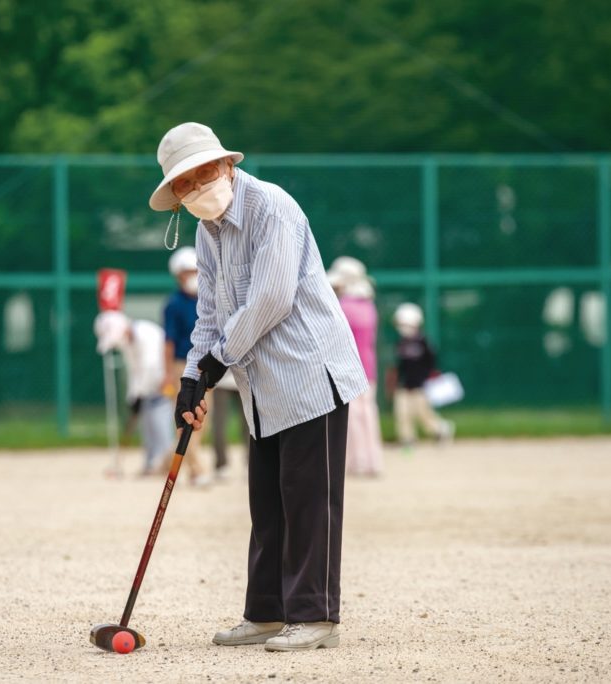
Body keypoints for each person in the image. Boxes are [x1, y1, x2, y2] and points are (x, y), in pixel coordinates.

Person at [148, 122, 368, 651]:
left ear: (228, 165)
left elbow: (272, 297)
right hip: (262, 386)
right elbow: (208, 312)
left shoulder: (272, 207)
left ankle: (316, 616)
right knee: (267, 503)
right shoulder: (207, 232)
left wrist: (217, 361)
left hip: (310, 373)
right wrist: (193, 377)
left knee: (309, 501)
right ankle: (267, 611)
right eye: (184, 182)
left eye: (204, 172)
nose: (197, 186)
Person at [93, 311, 173, 476]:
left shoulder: (146, 334)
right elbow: (134, 370)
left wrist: (139, 393)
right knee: (147, 424)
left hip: (162, 383)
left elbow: (150, 366)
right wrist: (133, 396)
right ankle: (151, 463)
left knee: (160, 422)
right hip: (147, 388)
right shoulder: (128, 343)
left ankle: (166, 464)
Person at [327, 257, 384, 477]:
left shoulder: (343, 306)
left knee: (353, 417)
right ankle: (373, 461)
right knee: (368, 414)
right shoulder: (369, 305)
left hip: (348, 368)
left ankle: (357, 462)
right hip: (368, 367)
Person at [162, 246, 210, 486]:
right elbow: (168, 341)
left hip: (205, 365)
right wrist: (168, 373)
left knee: (202, 421)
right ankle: (197, 470)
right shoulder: (173, 304)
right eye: (188, 272)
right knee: (187, 418)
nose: (193, 276)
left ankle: (166, 462)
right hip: (182, 364)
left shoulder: (206, 301)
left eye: (195, 271)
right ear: (179, 275)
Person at [386, 303, 455, 449]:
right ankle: (407, 439)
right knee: (402, 413)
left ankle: (440, 430)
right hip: (404, 384)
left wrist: (428, 378)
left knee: (423, 414)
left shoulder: (423, 342)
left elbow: (431, 362)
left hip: (420, 385)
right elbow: (400, 365)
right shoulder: (401, 343)